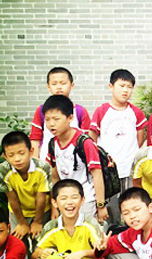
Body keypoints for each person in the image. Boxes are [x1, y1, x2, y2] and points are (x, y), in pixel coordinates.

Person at [90, 69, 147, 224]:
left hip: (130, 169)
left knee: (131, 204)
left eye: (129, 87)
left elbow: (140, 137)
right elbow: (92, 138)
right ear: (111, 86)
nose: (125, 90)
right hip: (109, 171)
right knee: (111, 209)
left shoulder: (136, 112)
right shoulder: (102, 111)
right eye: (121, 86)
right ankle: (113, 234)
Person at [44, 94, 107, 223]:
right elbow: (55, 177)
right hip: (64, 201)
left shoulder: (84, 142)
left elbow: (97, 174)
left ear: (70, 118)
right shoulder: (53, 143)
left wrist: (101, 205)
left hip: (86, 200)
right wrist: (54, 206)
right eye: (47, 119)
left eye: (56, 119)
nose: (51, 124)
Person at [0, 131, 52, 251]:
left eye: (21, 153)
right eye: (11, 155)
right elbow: (12, 199)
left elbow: (41, 197)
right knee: (18, 246)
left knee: (41, 245)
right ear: (5, 156)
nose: (17, 159)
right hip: (18, 213)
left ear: (31, 151)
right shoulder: (1, 170)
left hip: (42, 211)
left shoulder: (43, 167)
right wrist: (21, 223)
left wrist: (38, 221)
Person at [30, 67, 90, 161]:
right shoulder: (41, 110)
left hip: (74, 163)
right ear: (48, 87)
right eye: (54, 84)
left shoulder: (80, 111)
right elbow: (35, 138)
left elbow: (87, 139)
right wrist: (35, 161)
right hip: (47, 162)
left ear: (72, 85)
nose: (59, 87)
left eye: (63, 83)